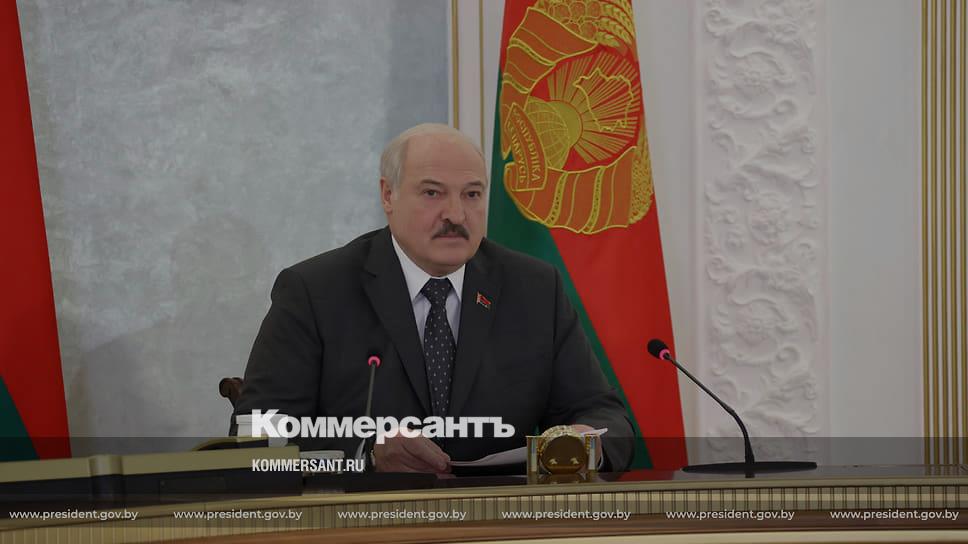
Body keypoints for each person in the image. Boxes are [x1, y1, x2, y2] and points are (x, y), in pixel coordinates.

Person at [234, 123, 634, 473]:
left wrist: (586, 442)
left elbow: (604, 416)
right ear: (387, 196)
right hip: (364, 520)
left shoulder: (534, 289)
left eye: (472, 194)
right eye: (432, 193)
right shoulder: (315, 291)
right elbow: (257, 435)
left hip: (497, 519)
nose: (456, 215)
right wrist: (365, 455)